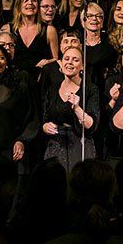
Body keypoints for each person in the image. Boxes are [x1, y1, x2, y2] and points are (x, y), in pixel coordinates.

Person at [41, 45, 99, 174]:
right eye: (66, 59)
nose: (70, 62)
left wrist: (77, 108)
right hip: (56, 144)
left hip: (80, 144)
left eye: (75, 60)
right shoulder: (54, 88)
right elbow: (45, 118)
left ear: (82, 66)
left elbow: (92, 126)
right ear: (61, 64)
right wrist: (45, 126)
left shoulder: (90, 89)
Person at [10, 0, 60, 78]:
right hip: (15, 78)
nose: (30, 3)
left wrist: (46, 62)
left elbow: (56, 59)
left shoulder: (49, 30)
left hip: (39, 78)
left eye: (34, 0)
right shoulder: (9, 29)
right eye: (26, 0)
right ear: (19, 5)